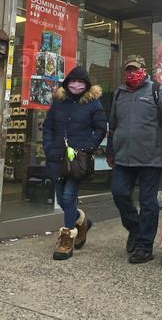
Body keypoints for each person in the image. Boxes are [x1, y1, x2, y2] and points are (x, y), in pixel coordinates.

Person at [107, 54, 162, 264]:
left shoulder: (157, 91)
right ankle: (136, 229)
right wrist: (111, 151)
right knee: (119, 194)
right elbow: (113, 125)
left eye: (135, 69)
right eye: (128, 70)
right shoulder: (119, 93)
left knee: (148, 203)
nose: (132, 73)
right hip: (123, 158)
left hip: (150, 158)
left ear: (144, 70)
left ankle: (144, 246)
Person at [42, 66, 107, 261]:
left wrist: (87, 147)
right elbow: (48, 126)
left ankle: (66, 239)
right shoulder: (59, 102)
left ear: (86, 85)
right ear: (67, 83)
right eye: (72, 81)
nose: (76, 85)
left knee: (69, 195)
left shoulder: (93, 104)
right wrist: (48, 146)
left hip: (78, 159)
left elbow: (100, 128)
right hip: (57, 156)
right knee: (62, 199)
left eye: (80, 82)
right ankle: (82, 221)